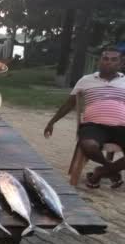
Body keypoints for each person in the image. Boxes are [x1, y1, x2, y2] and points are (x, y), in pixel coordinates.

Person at [44, 47, 125, 188]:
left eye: (113, 60)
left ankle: (100, 172)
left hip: (121, 127)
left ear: (121, 63)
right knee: (88, 145)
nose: (108, 62)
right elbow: (69, 104)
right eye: (105, 59)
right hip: (93, 126)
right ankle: (111, 170)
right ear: (99, 61)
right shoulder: (86, 80)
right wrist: (52, 122)